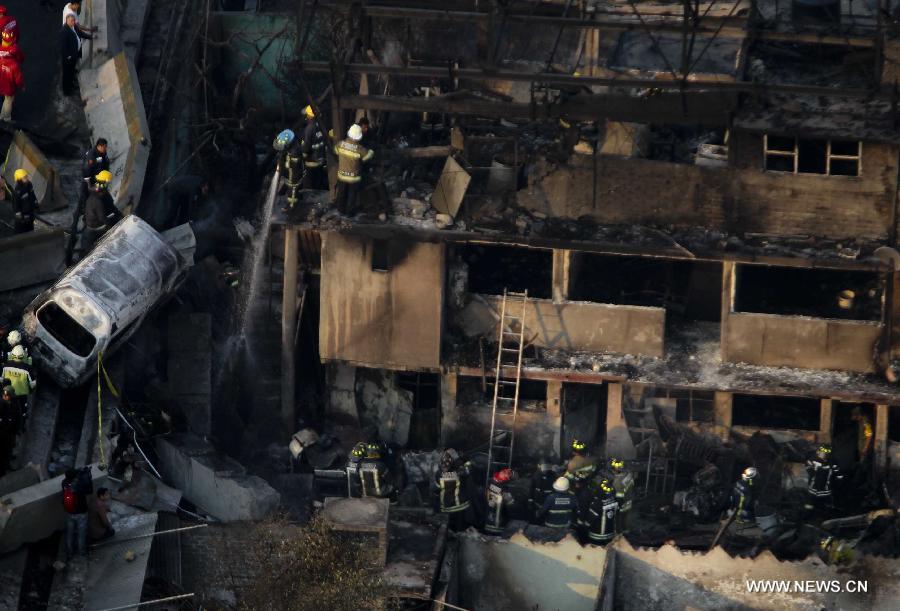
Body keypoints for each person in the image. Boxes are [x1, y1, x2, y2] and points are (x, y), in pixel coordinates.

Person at [334, 124, 374, 216]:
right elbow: (366, 158)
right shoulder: (360, 149)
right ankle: (350, 213)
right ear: (358, 137)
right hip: (353, 177)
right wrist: (371, 151)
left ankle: (340, 210)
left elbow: (335, 151)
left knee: (342, 193)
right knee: (352, 195)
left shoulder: (340, 144)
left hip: (342, 175)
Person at [82, 170, 122, 253]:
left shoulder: (93, 192)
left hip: (89, 226)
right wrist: (111, 226)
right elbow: (102, 218)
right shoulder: (98, 201)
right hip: (96, 228)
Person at [434, 448, 474, 530]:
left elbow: (436, 489)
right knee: (459, 530)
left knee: (448, 531)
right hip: (459, 508)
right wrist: (462, 458)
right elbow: (469, 468)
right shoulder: (459, 474)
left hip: (446, 508)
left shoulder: (438, 474)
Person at [62, 467, 93, 560]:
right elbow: (90, 490)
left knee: (70, 534)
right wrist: (88, 477)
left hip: (69, 512)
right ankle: (81, 552)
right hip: (81, 514)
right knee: (81, 534)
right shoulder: (79, 485)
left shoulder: (64, 483)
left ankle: (69, 553)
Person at [59, 14, 91, 96]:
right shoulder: (64, 31)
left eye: (73, 20)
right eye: (71, 21)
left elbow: (81, 34)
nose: (73, 22)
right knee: (67, 74)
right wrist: (68, 57)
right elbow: (63, 47)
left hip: (74, 56)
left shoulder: (74, 26)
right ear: (67, 21)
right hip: (68, 58)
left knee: (71, 72)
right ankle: (66, 91)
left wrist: (90, 37)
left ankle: (71, 85)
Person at [2, 345, 34, 421]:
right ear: (23, 356)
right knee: (22, 409)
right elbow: (32, 384)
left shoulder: (6, 365)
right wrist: (29, 390)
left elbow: (1, 379)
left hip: (8, 392)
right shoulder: (27, 368)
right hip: (21, 393)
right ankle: (22, 421)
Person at [0, 18, 23, 122]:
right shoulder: (14, 65)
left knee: (6, 99)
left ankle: (1, 116)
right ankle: (7, 118)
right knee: (9, 100)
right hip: (9, 85)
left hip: (1, 81)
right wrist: (22, 86)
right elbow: (18, 79)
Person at [585, 479, 619, 545]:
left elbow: (590, 520)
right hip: (609, 535)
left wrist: (585, 526)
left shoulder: (597, 503)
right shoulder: (615, 501)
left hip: (596, 536)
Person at [301, 105, 327, 190]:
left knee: (310, 187)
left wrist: (301, 153)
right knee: (319, 184)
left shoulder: (309, 128)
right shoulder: (321, 125)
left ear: (309, 115)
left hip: (311, 162)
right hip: (321, 160)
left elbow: (306, 147)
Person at [485, 468, 516, 535]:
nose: (503, 473)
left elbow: (510, 502)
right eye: (505, 472)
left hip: (499, 518)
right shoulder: (492, 481)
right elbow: (490, 491)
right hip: (491, 517)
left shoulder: (504, 485)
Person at [610, 458, 635, 532]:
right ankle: (626, 532)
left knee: (618, 521)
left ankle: (619, 533)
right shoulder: (628, 475)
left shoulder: (617, 480)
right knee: (626, 519)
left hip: (621, 502)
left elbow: (618, 495)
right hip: (628, 501)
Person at [11, 169, 37, 233]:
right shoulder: (17, 191)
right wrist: (19, 216)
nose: (27, 178)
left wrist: (35, 203)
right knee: (21, 231)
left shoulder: (29, 185)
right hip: (22, 216)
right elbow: (15, 204)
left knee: (30, 229)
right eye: (24, 177)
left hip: (30, 213)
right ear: (19, 179)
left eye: (26, 176)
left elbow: (32, 195)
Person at [0, 380, 17, 474]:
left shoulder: (13, 405)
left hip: (7, 435)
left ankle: (3, 469)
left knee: (5, 453)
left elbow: (17, 418)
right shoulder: (3, 404)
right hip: (4, 434)